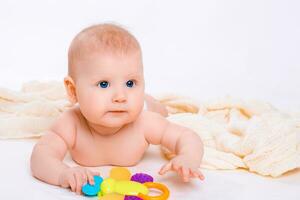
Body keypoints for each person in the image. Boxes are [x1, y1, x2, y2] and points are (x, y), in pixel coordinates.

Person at [30, 23, 205, 195]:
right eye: (104, 84)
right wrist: (62, 173)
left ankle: (152, 101)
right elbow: (41, 156)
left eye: (130, 83)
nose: (120, 96)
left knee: (159, 110)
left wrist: (188, 157)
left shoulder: (145, 122)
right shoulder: (71, 124)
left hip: (144, 107)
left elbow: (186, 136)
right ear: (73, 91)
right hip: (130, 107)